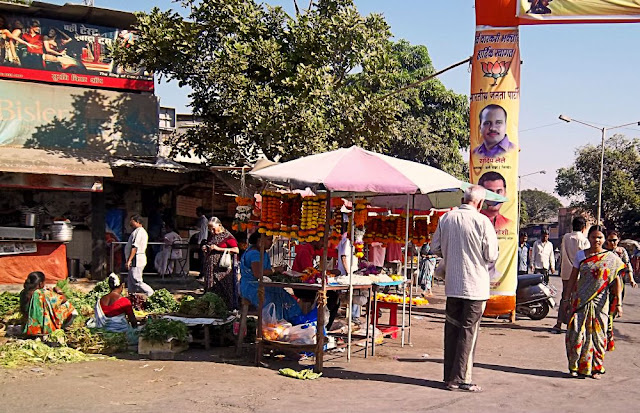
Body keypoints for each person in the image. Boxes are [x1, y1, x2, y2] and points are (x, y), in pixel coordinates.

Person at [431, 185, 499, 392]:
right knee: (469, 331)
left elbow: (435, 248)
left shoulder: (446, 219)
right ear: (479, 203)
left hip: (452, 285)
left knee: (452, 329)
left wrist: (453, 253)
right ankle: (461, 379)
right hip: (475, 287)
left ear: (463, 198)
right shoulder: (482, 221)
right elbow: (491, 255)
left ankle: (449, 376)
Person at [563, 226, 624, 379]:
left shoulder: (611, 258)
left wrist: (618, 304)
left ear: (604, 239)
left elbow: (617, 282)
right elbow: (573, 278)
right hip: (580, 299)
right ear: (588, 238)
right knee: (576, 333)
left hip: (601, 302)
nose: (596, 240)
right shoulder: (580, 256)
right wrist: (566, 298)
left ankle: (596, 368)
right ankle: (575, 366)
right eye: (593, 237)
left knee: (598, 335)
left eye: (600, 237)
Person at [240, 232, 302, 322]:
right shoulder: (254, 254)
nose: (271, 242)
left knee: (283, 295)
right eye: (269, 239)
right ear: (260, 240)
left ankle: (286, 322)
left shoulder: (261, 252)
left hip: (259, 285)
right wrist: (275, 270)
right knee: (274, 299)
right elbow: (258, 273)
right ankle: (273, 324)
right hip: (251, 287)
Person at [551, 217, 589, 333]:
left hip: (566, 272)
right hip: (578, 273)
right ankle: (572, 324)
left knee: (565, 297)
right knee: (576, 299)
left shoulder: (566, 237)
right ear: (584, 227)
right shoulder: (584, 240)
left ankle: (558, 323)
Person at [20, 271, 77, 336]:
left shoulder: (23, 293)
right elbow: (63, 299)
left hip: (28, 327)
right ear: (40, 284)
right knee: (69, 307)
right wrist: (58, 291)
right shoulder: (44, 293)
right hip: (43, 330)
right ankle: (62, 327)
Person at [201, 217, 239, 310]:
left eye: (213, 228)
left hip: (222, 270)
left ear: (219, 225)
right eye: (210, 229)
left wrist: (218, 249)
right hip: (211, 268)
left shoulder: (227, 236)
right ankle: (211, 309)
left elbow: (236, 250)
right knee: (211, 289)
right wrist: (206, 248)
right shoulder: (212, 236)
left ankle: (225, 309)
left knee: (223, 289)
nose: (212, 231)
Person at [125, 214, 154, 297]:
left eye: (132, 221)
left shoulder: (139, 232)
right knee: (130, 281)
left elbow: (135, 247)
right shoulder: (136, 231)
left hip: (136, 259)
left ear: (137, 222)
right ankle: (131, 297)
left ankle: (150, 293)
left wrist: (130, 260)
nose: (130, 223)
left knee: (136, 279)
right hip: (134, 258)